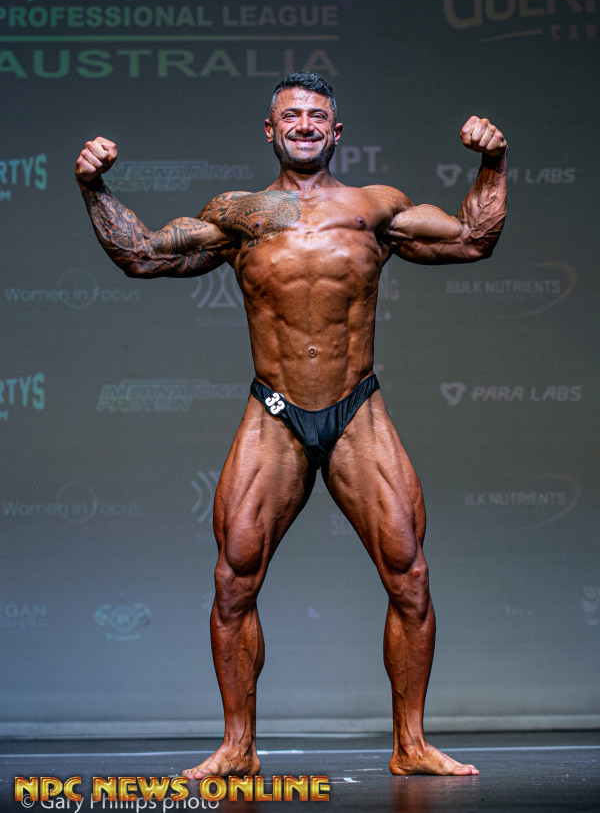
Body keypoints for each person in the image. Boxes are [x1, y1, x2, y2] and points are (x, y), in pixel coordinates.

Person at [75, 71, 507, 778]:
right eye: (291, 115)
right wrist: (94, 187)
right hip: (273, 412)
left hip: (356, 409)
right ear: (270, 131)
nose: (304, 124)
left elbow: (472, 240)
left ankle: (410, 745)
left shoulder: (376, 207)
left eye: (316, 116)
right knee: (233, 582)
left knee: (410, 576)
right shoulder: (240, 214)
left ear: (336, 133)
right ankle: (238, 747)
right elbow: (142, 255)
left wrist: (493, 163)